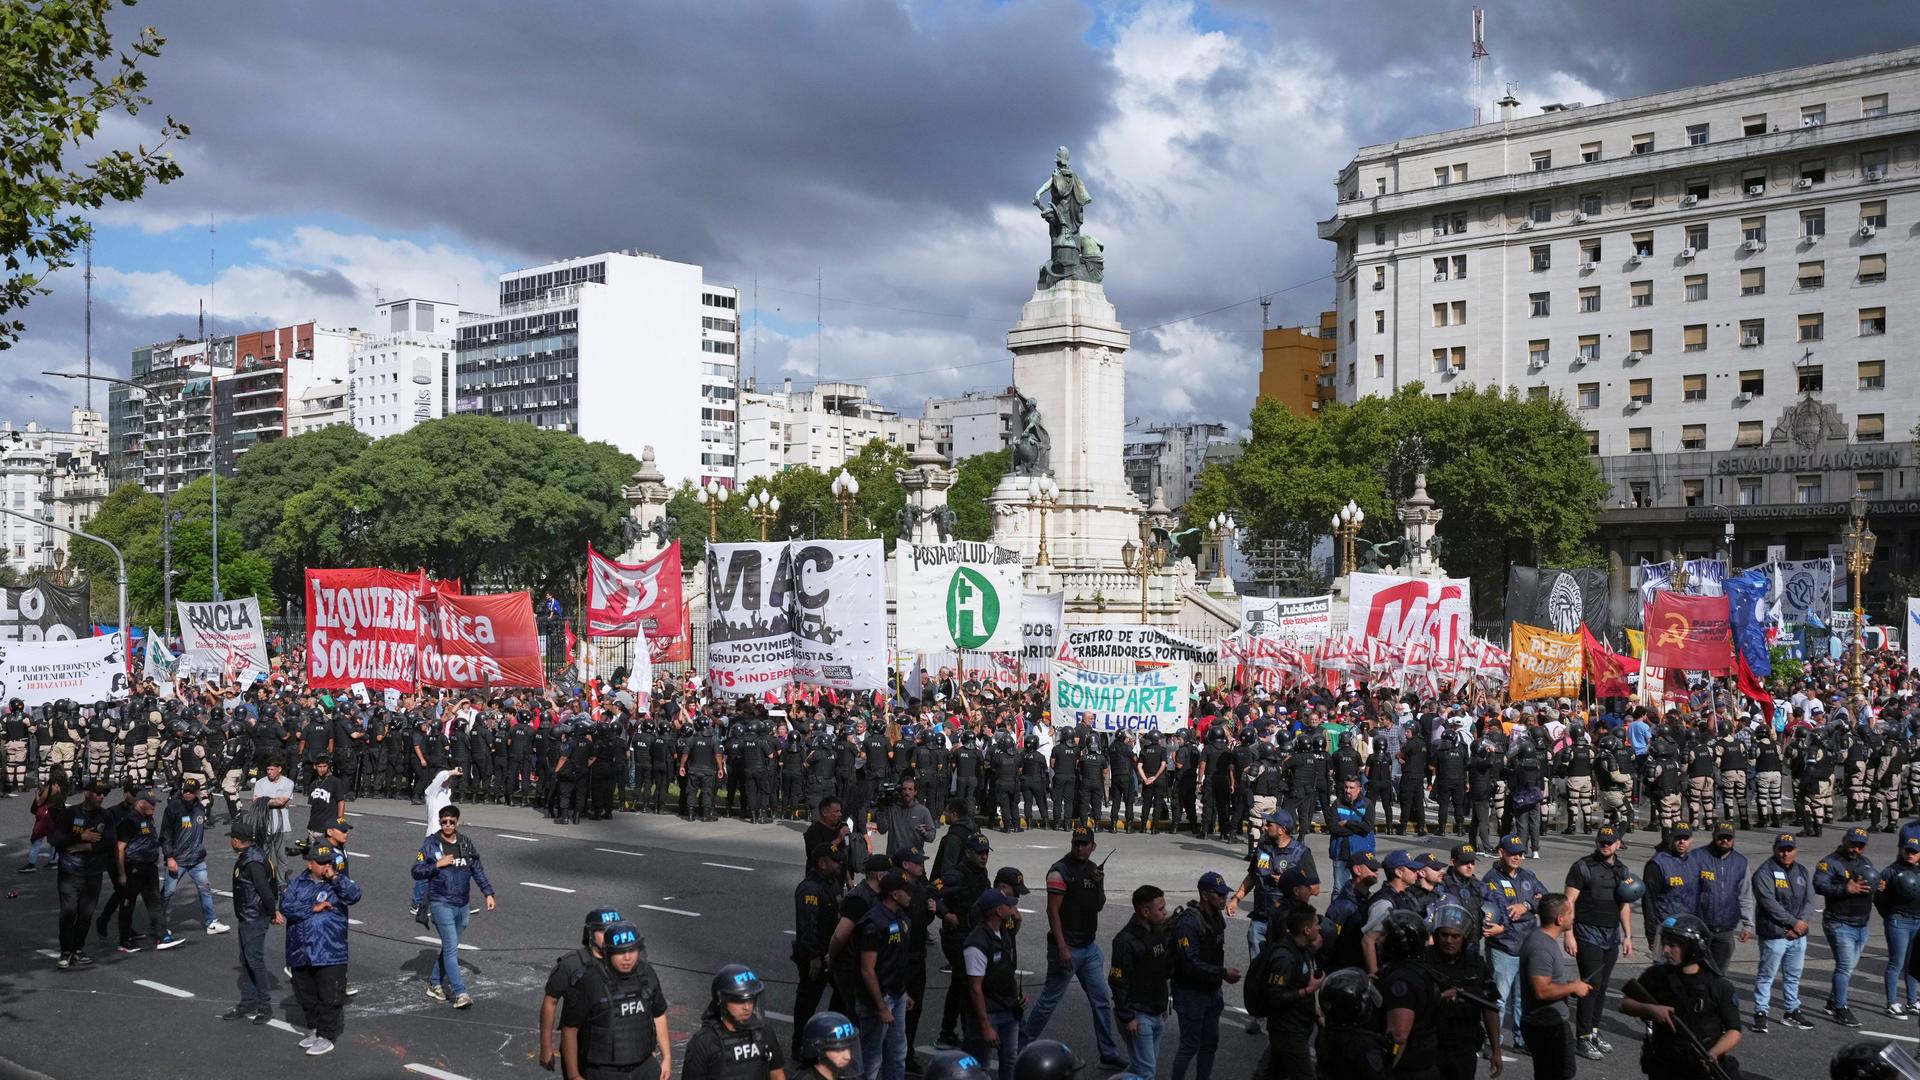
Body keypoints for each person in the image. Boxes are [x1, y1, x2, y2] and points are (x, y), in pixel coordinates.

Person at [1020, 827, 1124, 1070]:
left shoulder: (1092, 869)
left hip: (1089, 948)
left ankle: (1108, 1054)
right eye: (1076, 843)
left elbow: (1098, 906)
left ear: (1093, 846)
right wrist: (1063, 947)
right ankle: (1020, 1048)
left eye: (1084, 844)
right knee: (1048, 1002)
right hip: (1067, 948)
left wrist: (1100, 884)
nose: (1079, 848)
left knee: (1101, 1000)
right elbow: (1052, 911)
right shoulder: (1059, 872)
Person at [1620, 914, 1742, 1080]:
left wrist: (1713, 1053)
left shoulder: (1718, 986)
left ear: (1693, 948)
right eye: (1664, 944)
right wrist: (1650, 1010)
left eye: (1672, 945)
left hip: (1700, 1066)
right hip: (1664, 1063)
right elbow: (1625, 1004)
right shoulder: (1656, 976)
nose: (1665, 950)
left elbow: (1734, 1030)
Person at [560, 920, 672, 1080]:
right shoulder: (589, 982)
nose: (627, 958)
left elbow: (659, 1014)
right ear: (608, 953)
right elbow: (569, 1029)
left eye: (632, 950)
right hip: (605, 1072)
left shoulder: (647, 974)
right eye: (620, 952)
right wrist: (573, 1075)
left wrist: (667, 1057)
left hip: (644, 1068)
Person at [411, 803, 498, 1008]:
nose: (448, 825)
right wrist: (436, 865)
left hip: (463, 904)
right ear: (440, 823)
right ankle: (460, 993)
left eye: (451, 821)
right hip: (441, 902)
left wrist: (488, 893)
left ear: (457, 822)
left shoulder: (466, 843)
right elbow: (416, 871)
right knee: (451, 948)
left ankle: (434, 983)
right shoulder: (431, 845)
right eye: (444, 822)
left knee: (449, 947)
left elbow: (477, 870)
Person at [280, 841, 362, 1057]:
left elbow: (354, 895)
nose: (326, 866)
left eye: (329, 862)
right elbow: (286, 906)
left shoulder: (338, 883)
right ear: (310, 864)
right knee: (306, 995)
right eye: (321, 862)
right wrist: (312, 908)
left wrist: (334, 878)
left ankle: (327, 1035)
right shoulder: (298, 884)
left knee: (330, 996)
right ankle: (316, 1029)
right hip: (301, 950)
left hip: (329, 950)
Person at [1562, 826, 1634, 1060]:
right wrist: (1569, 934)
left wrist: (1628, 936)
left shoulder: (1623, 871)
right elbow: (1568, 903)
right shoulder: (1581, 866)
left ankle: (1593, 1032)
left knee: (1602, 988)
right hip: (1586, 932)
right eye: (1602, 841)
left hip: (1611, 935)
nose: (1605, 845)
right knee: (1589, 987)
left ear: (1617, 844)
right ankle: (1582, 1039)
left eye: (1609, 842)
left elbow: (1625, 904)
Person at [1169, 872, 1241, 1080]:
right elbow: (1188, 962)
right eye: (1219, 894)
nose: (1223, 898)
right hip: (1190, 992)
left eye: (1224, 894)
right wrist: (1223, 973)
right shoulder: (1189, 922)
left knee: (1209, 1044)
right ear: (1205, 895)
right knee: (1189, 1046)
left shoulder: (1216, 917)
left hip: (1211, 991)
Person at [541, 907, 624, 1073]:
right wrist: (545, 1047)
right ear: (590, 933)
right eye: (602, 931)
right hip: (581, 1049)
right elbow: (550, 1002)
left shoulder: (628, 961)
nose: (609, 935)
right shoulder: (571, 965)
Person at [1751, 831, 1817, 1032]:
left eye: (1789, 849)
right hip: (1774, 933)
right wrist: (1792, 923)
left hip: (1798, 934)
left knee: (1793, 975)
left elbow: (1810, 900)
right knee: (1766, 975)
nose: (1785, 853)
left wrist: (1802, 923)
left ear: (1795, 850)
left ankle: (1791, 1010)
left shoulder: (1802, 871)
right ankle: (1761, 1012)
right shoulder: (1764, 872)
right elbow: (1769, 903)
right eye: (1782, 850)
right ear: (1775, 850)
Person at [1426, 904, 1501, 1080]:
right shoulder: (1424, 961)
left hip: (1464, 1047)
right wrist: (1440, 998)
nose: (1449, 941)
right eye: (1444, 935)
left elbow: (1490, 1008)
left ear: (1464, 938)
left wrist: (1496, 1050)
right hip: (1431, 1046)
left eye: (1455, 936)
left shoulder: (1476, 964)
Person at [1519, 893, 1589, 1080]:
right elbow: (1541, 990)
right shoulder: (1541, 947)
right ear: (1560, 919)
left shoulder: (1543, 940)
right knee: (1558, 1074)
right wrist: (1573, 988)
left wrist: (1569, 985)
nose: (1573, 916)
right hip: (1547, 1027)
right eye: (1570, 913)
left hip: (1548, 1024)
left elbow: (1547, 983)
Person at [1813, 824, 1876, 1028]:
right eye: (1853, 844)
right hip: (1839, 922)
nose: (1856, 849)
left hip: (1861, 923)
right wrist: (1845, 888)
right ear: (1843, 840)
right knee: (1844, 966)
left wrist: (1879, 885)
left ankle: (1832, 1001)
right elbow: (1819, 885)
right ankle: (1841, 1008)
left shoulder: (1865, 862)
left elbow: (1871, 882)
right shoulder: (1829, 863)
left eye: (1860, 846)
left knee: (1849, 967)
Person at [221, 812, 282, 1022]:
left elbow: (265, 889)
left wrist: (273, 912)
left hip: (253, 917)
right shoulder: (255, 855)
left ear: (237, 841)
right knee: (246, 959)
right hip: (249, 915)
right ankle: (247, 1002)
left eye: (232, 838)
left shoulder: (252, 862)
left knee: (254, 960)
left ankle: (264, 1005)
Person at [1108, 884, 1173, 1079]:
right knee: (1146, 1072)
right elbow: (1117, 981)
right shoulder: (1125, 941)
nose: (1165, 913)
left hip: (1156, 1011)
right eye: (1160, 909)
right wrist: (1128, 1017)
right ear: (1145, 911)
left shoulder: (1157, 930)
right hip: (1138, 1015)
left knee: (1139, 1069)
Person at [51, 776, 114, 969]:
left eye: (104, 794)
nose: (101, 797)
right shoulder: (70, 814)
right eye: (97, 792)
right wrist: (79, 836)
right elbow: (54, 839)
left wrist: (87, 847)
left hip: (93, 872)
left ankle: (78, 949)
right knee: (68, 912)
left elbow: (110, 843)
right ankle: (65, 951)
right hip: (70, 872)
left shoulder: (105, 816)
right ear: (87, 792)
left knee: (86, 914)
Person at [683, 964, 787, 1080]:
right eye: (739, 1001)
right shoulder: (704, 1043)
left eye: (750, 999)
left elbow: (777, 1075)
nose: (747, 1007)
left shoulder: (765, 1033)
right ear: (722, 1002)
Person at [964, 887, 1025, 1080]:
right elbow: (975, 989)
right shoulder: (976, 944)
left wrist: (1017, 997)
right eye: (1008, 906)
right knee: (979, 1067)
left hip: (1009, 1009)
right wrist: (985, 1026)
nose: (1013, 909)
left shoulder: (1003, 933)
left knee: (1010, 1061)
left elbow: (1004, 972)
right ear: (999, 911)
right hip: (989, 1014)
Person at [857, 872, 913, 1080]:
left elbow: (897, 959)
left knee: (898, 1053)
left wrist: (904, 992)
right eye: (906, 892)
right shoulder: (874, 923)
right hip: (879, 998)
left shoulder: (902, 918)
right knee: (871, 1059)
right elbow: (867, 969)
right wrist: (881, 1006)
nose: (910, 896)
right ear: (894, 894)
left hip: (897, 994)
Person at [159, 777, 229, 940]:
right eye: (185, 791)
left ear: (197, 792)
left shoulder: (200, 807)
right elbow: (165, 835)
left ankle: (211, 922)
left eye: (191, 791)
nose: (188, 794)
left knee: (205, 889)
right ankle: (159, 924)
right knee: (168, 892)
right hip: (178, 860)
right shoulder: (174, 808)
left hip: (197, 859)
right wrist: (169, 857)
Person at [1261, 904, 1325, 1080]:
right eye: (1316, 924)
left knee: (1272, 1074)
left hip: (1298, 1025)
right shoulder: (1284, 958)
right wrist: (1308, 990)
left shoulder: (1302, 950)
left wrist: (1317, 1014)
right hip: (1287, 1030)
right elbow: (1275, 996)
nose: (1319, 928)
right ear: (1306, 929)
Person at [795, 844, 848, 1060]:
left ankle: (829, 1036)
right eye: (834, 861)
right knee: (808, 1001)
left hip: (831, 951)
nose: (839, 864)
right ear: (822, 863)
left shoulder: (832, 882)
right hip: (814, 955)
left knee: (843, 996)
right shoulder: (810, 889)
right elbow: (809, 926)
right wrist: (814, 957)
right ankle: (799, 1046)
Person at [1375, 910, 1441, 1080]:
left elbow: (1398, 1036)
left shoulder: (1401, 981)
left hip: (1407, 1069)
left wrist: (1384, 1072)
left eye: (1385, 935)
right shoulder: (1420, 969)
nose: (1380, 940)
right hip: (1422, 1063)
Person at [102, 787, 167, 952]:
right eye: (151, 804)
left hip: (149, 867)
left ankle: (162, 935)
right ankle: (124, 941)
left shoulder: (148, 818)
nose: (154, 807)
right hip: (134, 868)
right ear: (140, 803)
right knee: (127, 905)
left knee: (154, 902)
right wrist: (122, 873)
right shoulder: (129, 821)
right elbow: (120, 848)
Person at [1694, 822, 1753, 977]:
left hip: (1725, 930)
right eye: (1721, 837)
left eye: (1728, 838)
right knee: (1695, 974)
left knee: (1718, 976)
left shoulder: (1741, 862)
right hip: (1700, 928)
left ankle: (1711, 1001)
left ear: (1733, 839)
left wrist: (1747, 924)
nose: (1724, 841)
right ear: (1714, 837)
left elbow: (1745, 894)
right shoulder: (1697, 857)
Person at [1875, 834, 1920, 1017]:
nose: (1910, 854)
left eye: (1914, 852)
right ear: (1901, 850)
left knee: (1913, 963)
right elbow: (1879, 898)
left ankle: (1912, 1001)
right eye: (1907, 850)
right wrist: (1890, 916)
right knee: (1897, 962)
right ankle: (1892, 1003)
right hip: (1898, 921)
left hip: (1918, 921)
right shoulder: (1890, 872)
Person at [873, 776, 938, 860]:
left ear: (915, 792)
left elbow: (932, 837)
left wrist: (924, 833)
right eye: (904, 789)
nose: (907, 792)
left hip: (914, 860)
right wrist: (881, 811)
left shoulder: (923, 811)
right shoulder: (892, 808)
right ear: (900, 790)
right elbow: (882, 830)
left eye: (910, 789)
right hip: (895, 859)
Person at [251, 759, 295, 878]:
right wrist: (275, 801)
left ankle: (281, 882)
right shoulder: (260, 783)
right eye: (268, 769)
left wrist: (264, 800)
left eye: (272, 769)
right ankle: (267, 880)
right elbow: (256, 801)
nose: (269, 772)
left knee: (282, 858)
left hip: (282, 828)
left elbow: (282, 801)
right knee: (264, 857)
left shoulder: (288, 783)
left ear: (279, 769)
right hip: (264, 826)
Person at [796, 1011, 862, 1080]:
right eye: (839, 1049)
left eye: (849, 1048)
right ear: (817, 1048)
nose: (848, 1056)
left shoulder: (846, 1072)